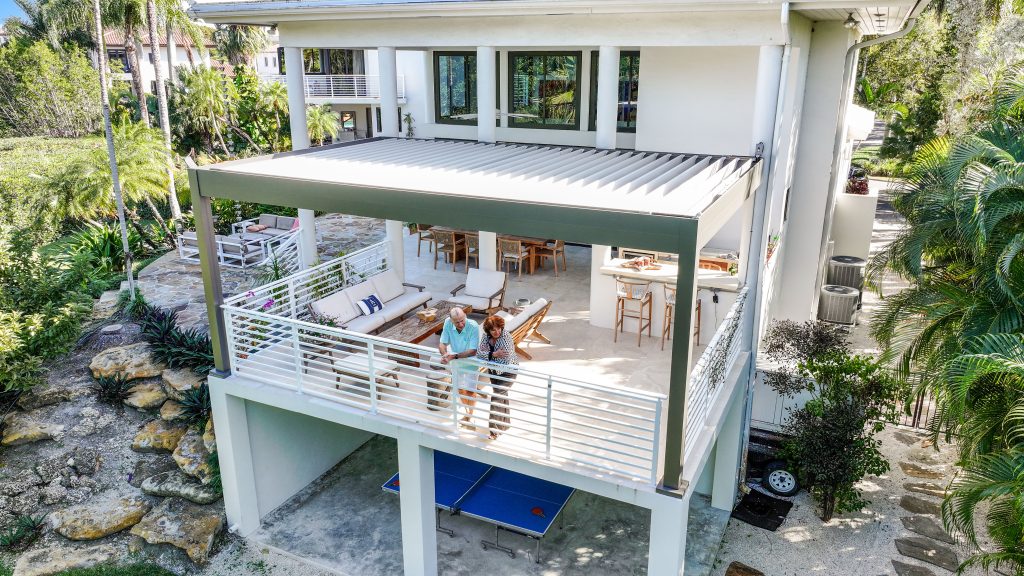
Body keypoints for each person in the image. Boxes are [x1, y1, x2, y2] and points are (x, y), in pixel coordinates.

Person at [476, 315, 518, 440]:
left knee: (496, 397)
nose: (497, 332)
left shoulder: (506, 337)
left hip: (508, 372)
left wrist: (487, 354)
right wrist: (494, 354)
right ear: (488, 331)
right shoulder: (485, 336)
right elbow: (479, 354)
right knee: (502, 397)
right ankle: (505, 425)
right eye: (493, 330)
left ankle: (494, 431)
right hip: (493, 371)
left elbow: (506, 358)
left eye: (499, 328)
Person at [437, 307, 479, 415]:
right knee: (460, 390)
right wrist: (444, 354)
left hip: (471, 363)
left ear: (465, 316)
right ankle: (467, 412)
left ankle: (471, 415)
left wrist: (453, 356)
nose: (460, 324)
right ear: (451, 321)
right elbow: (442, 343)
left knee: (470, 392)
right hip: (456, 363)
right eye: (457, 322)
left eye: (462, 321)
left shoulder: (473, 325)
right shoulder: (447, 322)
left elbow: (473, 351)